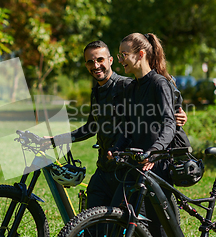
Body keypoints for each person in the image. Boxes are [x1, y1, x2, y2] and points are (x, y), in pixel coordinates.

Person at [51, 40, 187, 211]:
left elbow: (160, 91)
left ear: (110, 60)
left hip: (125, 171)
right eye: (90, 61)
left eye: (100, 59)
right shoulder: (97, 91)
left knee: (121, 230)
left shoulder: (127, 85)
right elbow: (91, 128)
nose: (96, 65)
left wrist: (179, 112)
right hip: (104, 167)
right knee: (90, 227)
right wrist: (56, 140)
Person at [109, 32, 185, 237]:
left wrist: (155, 151)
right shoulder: (132, 88)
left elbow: (169, 123)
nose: (121, 59)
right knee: (130, 219)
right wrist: (116, 147)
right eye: (119, 54)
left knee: (161, 231)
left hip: (158, 164)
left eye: (123, 55)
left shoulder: (159, 83)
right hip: (138, 163)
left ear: (140, 54)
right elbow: (127, 127)